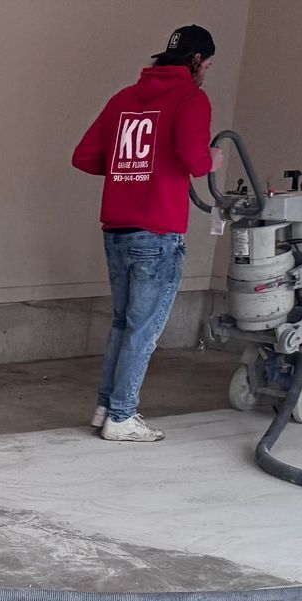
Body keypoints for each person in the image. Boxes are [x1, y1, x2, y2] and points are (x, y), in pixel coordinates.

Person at [71, 24, 223, 442]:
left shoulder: (123, 98)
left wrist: (129, 171)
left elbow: (84, 156)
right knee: (145, 328)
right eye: (207, 64)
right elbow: (193, 160)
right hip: (157, 231)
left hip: (117, 228)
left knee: (122, 323)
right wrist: (213, 158)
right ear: (196, 62)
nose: (206, 71)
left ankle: (106, 407)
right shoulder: (192, 98)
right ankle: (122, 415)